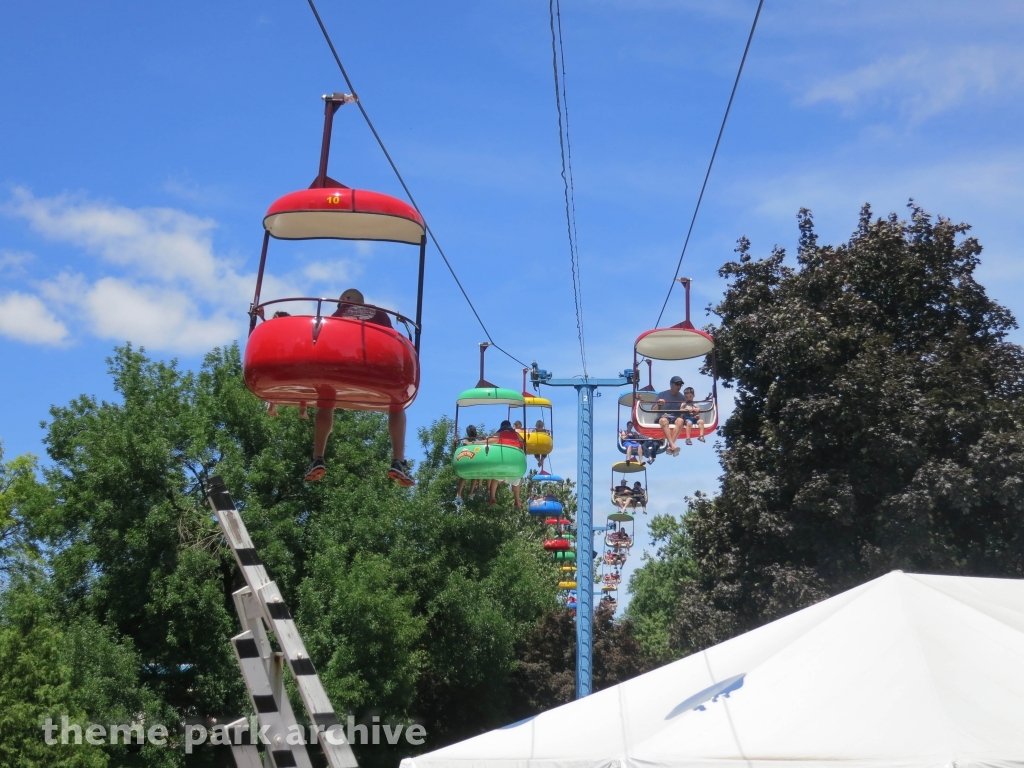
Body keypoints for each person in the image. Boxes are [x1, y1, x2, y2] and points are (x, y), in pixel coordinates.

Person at [304, 288, 414, 486]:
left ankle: (317, 457)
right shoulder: (380, 314)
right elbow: (393, 342)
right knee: (397, 402)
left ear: (346, 299)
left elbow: (325, 342)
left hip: (342, 368)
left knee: (326, 400)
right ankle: (398, 461)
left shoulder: (337, 316)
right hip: (375, 369)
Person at [486, 421, 524, 508]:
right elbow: (524, 444)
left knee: (495, 479)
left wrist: (472, 443)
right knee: (516, 482)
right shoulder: (517, 435)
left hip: (502, 464)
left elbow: (488, 441)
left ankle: (492, 498)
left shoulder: (499, 434)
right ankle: (517, 501)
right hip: (515, 465)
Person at [655, 375, 687, 456]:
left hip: (675, 418)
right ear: (671, 384)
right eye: (677, 384)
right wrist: (658, 404)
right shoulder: (662, 394)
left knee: (680, 421)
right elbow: (653, 410)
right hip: (663, 418)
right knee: (663, 420)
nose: (678, 386)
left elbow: (684, 413)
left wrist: (684, 409)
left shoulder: (682, 398)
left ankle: (670, 446)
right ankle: (672, 445)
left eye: (680, 385)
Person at [455, 425, 485, 504]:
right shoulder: (478, 441)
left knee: (464, 476)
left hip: (467, 461)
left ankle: (459, 494)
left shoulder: (465, 441)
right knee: (475, 476)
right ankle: (471, 493)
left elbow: (460, 449)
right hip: (474, 462)